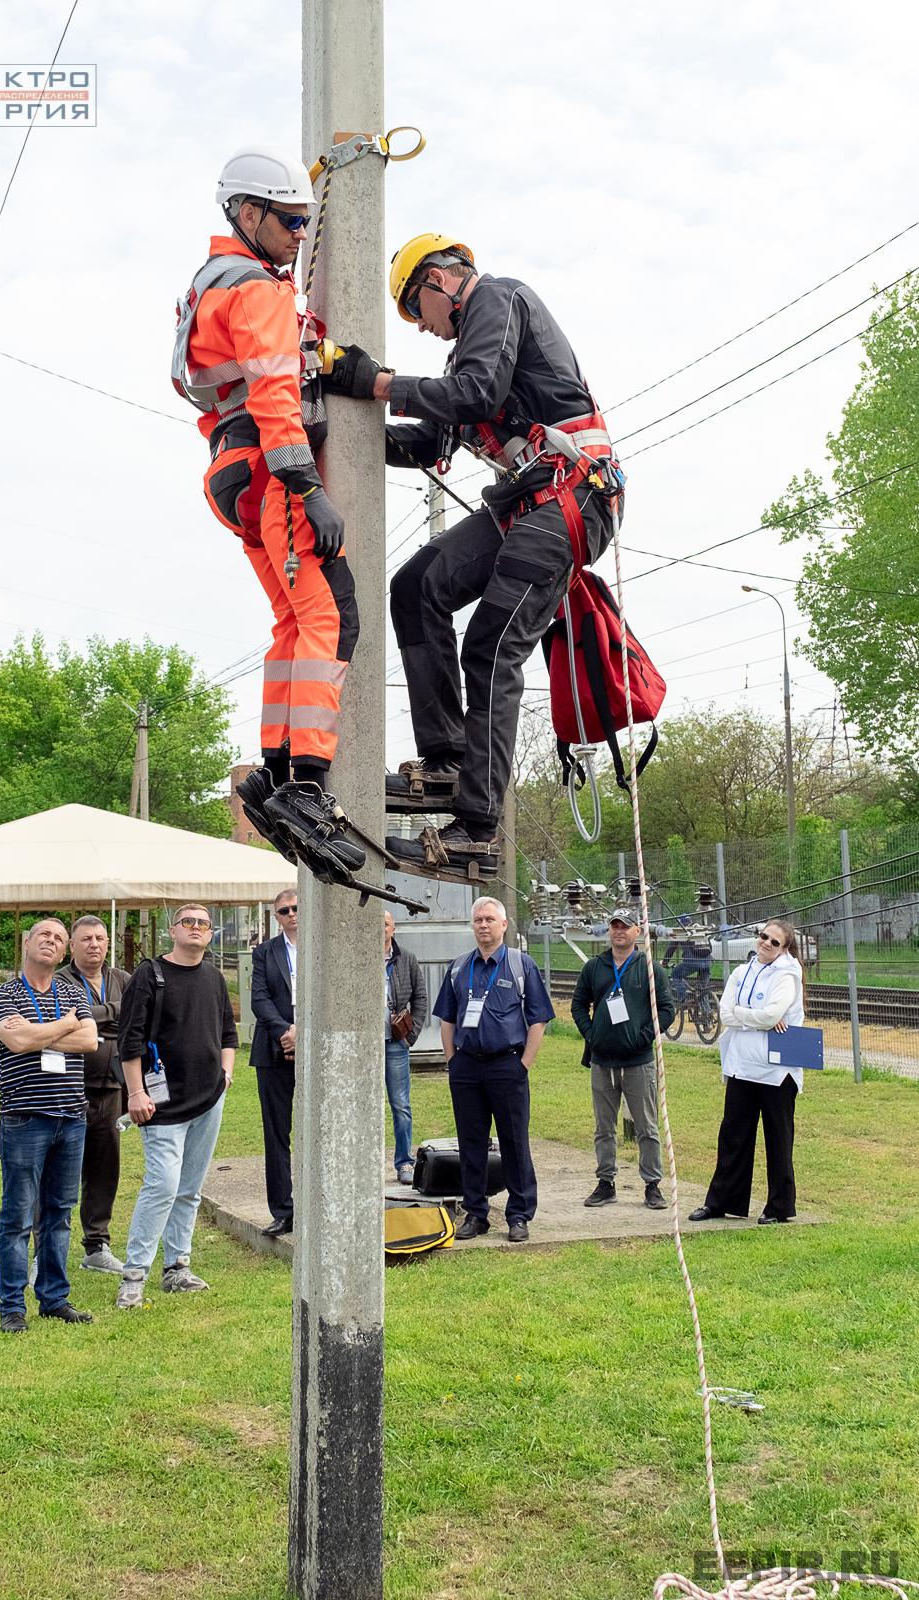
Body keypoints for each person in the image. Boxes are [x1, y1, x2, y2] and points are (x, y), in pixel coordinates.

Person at [323, 234, 618, 878]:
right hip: (525, 502)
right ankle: (448, 762)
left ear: (440, 281)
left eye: (415, 311)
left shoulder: (499, 299)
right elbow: (427, 445)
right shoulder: (466, 353)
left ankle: (479, 830)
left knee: (490, 643)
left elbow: (478, 392)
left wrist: (376, 382)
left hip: (573, 496)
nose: (422, 329)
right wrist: (336, 430)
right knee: (417, 586)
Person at [172, 146, 361, 876]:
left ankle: (273, 779)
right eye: (288, 221)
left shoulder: (210, 285)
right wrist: (307, 485)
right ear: (248, 213)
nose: (298, 235)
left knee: (292, 621)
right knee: (328, 617)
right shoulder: (255, 290)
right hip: (268, 468)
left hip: (230, 468)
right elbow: (276, 392)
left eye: (304, 222)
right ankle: (304, 785)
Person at [114, 905, 237, 1307]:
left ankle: (177, 1268)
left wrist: (226, 1076)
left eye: (204, 923)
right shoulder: (150, 976)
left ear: (211, 934)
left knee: (189, 1189)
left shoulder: (215, 978)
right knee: (162, 1186)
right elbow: (129, 1039)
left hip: (208, 1099)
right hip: (159, 1104)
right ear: (173, 930)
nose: (197, 928)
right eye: (189, 922)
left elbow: (227, 1033)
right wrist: (135, 1092)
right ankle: (134, 1276)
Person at [0, 917, 98, 1333]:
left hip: (71, 1117)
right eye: (43, 935)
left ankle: (54, 1298)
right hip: (24, 1118)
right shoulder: (4, 994)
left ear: (65, 950)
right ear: (27, 942)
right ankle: (12, 1306)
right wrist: (66, 1024)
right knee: (17, 1216)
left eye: (58, 938)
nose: (50, 942)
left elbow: (89, 1042)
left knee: (59, 1213)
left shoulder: (73, 990)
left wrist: (38, 1033)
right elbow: (15, 1042)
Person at [433, 896, 555, 1242]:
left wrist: (523, 1064)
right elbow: (447, 1017)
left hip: (507, 1066)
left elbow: (538, 1019)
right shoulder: (459, 967)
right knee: (470, 1142)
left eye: (489, 919)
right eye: (477, 920)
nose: (483, 925)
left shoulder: (521, 966)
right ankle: (476, 1213)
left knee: (515, 1141)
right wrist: (451, 1058)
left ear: (503, 925)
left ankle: (519, 1215)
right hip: (467, 1068)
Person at [690, 920, 805, 1226]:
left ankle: (779, 1206)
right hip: (741, 1066)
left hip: (777, 1072)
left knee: (778, 1138)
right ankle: (722, 1201)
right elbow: (727, 1014)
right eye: (763, 936)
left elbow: (773, 1013)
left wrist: (751, 1017)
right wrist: (756, 1018)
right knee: (733, 1135)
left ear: (785, 948)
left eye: (775, 941)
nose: (766, 942)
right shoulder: (741, 972)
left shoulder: (788, 976)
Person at [570, 908, 674, 1211]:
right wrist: (591, 1034)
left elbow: (666, 1010)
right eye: (614, 926)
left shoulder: (650, 968)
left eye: (625, 927)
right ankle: (606, 1182)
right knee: (604, 1127)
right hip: (602, 1061)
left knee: (647, 1126)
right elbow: (579, 1004)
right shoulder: (595, 967)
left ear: (637, 931)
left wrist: (644, 1037)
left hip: (638, 1062)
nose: (619, 931)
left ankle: (652, 1184)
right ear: (609, 930)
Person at [56, 915, 131, 1274]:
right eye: (86, 938)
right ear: (72, 945)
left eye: (100, 938)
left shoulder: (121, 980)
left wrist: (91, 1017)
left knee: (105, 1169)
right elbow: (64, 1019)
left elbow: (134, 1019)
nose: (94, 945)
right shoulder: (59, 981)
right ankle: (47, 1252)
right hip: (68, 1090)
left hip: (112, 1089)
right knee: (58, 1171)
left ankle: (97, 1246)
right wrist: (110, 1017)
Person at [250, 889, 299, 1237]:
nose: (292, 914)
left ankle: (320, 1203)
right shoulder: (265, 952)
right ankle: (283, 1210)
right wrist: (286, 1031)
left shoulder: (322, 947)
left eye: (297, 908)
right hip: (274, 1049)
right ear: (276, 917)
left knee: (321, 1130)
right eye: (284, 911)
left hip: (318, 1046)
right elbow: (259, 998)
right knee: (277, 1133)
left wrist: (306, 1032)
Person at [383, 910, 427, 1185]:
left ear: (393, 928)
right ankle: (364, 1159)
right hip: (364, 1044)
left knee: (400, 1104)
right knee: (365, 1104)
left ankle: (404, 1162)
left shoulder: (406, 958)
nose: (380, 929)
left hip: (396, 1044)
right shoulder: (359, 956)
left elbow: (420, 996)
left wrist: (411, 1036)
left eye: (385, 924)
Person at [664, 914, 713, 1005]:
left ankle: (684, 999)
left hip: (692, 963)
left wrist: (664, 963)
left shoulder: (681, 931)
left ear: (680, 923)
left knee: (675, 974)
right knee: (702, 989)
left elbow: (671, 949)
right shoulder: (699, 928)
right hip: (707, 963)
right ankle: (707, 1013)